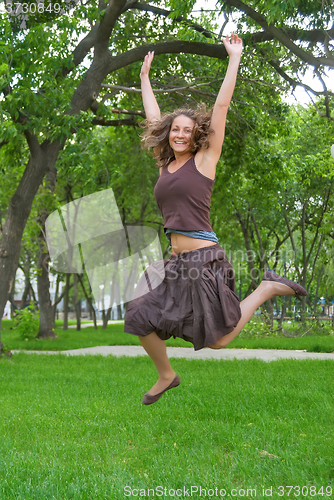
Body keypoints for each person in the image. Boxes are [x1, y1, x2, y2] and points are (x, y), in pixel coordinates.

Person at [124, 34, 307, 405]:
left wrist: (234, 59)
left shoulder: (205, 160)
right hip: (176, 263)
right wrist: (144, 80)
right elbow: (154, 117)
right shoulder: (164, 164)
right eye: (175, 129)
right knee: (139, 314)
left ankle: (266, 288)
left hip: (204, 260)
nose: (178, 133)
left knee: (220, 340)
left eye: (186, 130)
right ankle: (167, 375)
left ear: (196, 137)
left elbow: (221, 106)